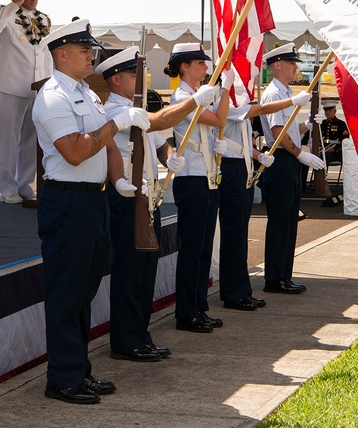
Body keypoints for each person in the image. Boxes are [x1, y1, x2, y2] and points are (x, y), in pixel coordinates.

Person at [31, 19, 149, 404]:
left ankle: (79, 370)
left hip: (93, 200)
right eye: (84, 51)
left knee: (84, 292)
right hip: (67, 202)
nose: (91, 56)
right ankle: (63, 378)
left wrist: (117, 182)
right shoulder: (53, 97)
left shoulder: (86, 92)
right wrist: (116, 123)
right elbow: (77, 150)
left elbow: (109, 147)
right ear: (61, 54)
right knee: (67, 293)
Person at [96, 47, 220, 362]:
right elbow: (158, 120)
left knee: (146, 272)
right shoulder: (113, 111)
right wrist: (195, 100)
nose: (140, 79)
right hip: (126, 198)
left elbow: (158, 139)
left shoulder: (134, 106)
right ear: (116, 80)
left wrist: (169, 156)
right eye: (133, 74)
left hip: (149, 198)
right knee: (129, 271)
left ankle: (140, 335)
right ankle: (125, 341)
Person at [215, 87, 312, 310]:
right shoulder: (227, 104)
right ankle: (236, 292)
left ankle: (242, 290)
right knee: (235, 235)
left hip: (245, 167)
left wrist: (259, 156)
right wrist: (292, 101)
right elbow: (264, 110)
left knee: (241, 235)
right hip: (231, 169)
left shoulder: (238, 105)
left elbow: (245, 141)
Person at [165, 42, 234, 333]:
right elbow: (219, 119)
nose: (206, 68)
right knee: (192, 249)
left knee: (204, 248)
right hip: (191, 179)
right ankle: (185, 313)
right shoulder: (182, 98)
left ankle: (198, 307)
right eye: (201, 64)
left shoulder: (197, 95)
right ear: (185, 67)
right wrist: (226, 90)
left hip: (206, 177)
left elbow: (214, 126)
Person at [259, 44, 325, 294]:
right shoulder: (274, 95)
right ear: (278, 65)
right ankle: (275, 278)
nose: (296, 66)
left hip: (290, 159)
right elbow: (278, 134)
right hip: (282, 160)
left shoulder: (286, 92)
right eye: (291, 62)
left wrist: (307, 126)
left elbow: (290, 132)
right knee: (280, 222)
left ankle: (284, 275)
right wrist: (301, 155)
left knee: (289, 221)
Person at [0, 0, 52, 204]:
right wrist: (14, 2)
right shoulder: (6, 14)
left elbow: (45, 54)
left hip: (36, 87)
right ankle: (7, 189)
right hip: (11, 85)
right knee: (8, 140)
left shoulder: (43, 19)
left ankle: (24, 184)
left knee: (31, 140)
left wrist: (49, 82)